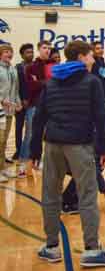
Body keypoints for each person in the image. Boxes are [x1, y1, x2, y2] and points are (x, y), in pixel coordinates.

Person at [30, 40, 105, 267]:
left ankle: (51, 247)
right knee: (87, 196)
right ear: (81, 57)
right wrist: (103, 149)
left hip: (52, 145)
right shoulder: (92, 82)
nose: (93, 60)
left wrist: (34, 150)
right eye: (91, 56)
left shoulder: (51, 82)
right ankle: (92, 250)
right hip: (79, 146)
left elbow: (39, 118)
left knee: (51, 195)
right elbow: (101, 119)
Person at [62, 133, 105, 214]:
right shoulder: (93, 145)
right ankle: (66, 202)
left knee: (88, 169)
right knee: (86, 171)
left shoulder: (102, 140)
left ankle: (70, 199)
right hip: (63, 160)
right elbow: (94, 171)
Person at [21, 40, 53, 177]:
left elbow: (53, 85)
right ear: (39, 49)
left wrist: (39, 82)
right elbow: (31, 86)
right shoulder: (31, 67)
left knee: (48, 137)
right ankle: (23, 164)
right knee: (30, 136)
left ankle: (40, 161)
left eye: (49, 48)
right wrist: (46, 82)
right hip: (34, 106)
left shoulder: (53, 66)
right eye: (44, 48)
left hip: (50, 107)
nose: (47, 50)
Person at [0, 44, 21, 182]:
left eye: (11, 52)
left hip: (9, 111)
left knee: (4, 141)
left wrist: (17, 102)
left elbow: (15, 89)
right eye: (6, 51)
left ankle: (2, 168)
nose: (9, 54)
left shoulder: (13, 69)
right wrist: (2, 100)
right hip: (0, 110)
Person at [12, 43, 33, 163]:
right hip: (19, 103)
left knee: (30, 129)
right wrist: (20, 100)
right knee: (19, 127)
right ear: (22, 54)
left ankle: (28, 151)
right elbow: (16, 86)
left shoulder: (36, 66)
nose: (30, 54)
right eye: (28, 52)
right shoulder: (18, 67)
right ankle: (18, 150)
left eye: (31, 52)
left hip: (32, 102)